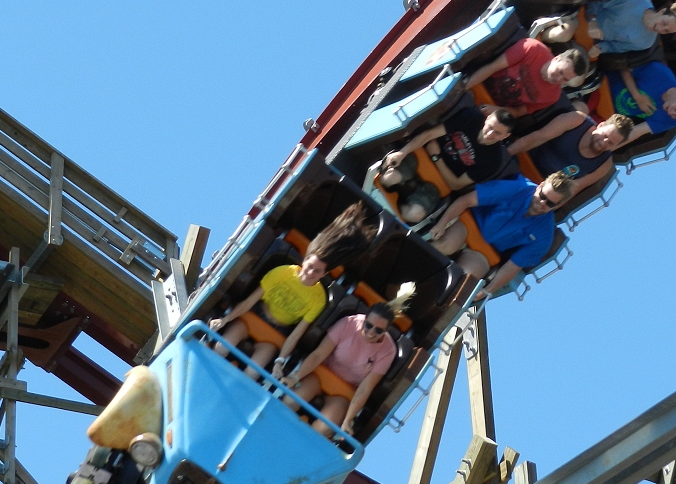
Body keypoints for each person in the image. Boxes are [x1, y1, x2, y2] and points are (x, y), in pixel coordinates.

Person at [210, 203, 378, 374]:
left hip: (275, 333)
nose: (311, 272)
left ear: (324, 274)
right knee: (221, 348)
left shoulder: (319, 298)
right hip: (254, 317)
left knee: (253, 372)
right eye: (310, 266)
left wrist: (279, 362)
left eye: (317, 270)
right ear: (304, 261)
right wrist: (225, 320)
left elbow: (296, 334)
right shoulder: (282, 273)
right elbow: (249, 302)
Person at [427, 171, 577, 299]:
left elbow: (513, 266)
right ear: (540, 185)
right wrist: (441, 224)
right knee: (444, 246)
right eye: (542, 196)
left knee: (461, 284)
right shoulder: (517, 188)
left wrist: (488, 290)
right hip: (469, 226)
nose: (542, 203)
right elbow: (467, 200)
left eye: (550, 203)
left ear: (558, 205)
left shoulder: (544, 234)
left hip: (484, 252)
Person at [281, 295, 410, 437]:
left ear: (386, 331)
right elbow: (319, 354)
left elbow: (365, 389)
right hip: (319, 376)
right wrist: (295, 377)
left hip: (343, 392)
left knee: (324, 429)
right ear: (364, 319)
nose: (371, 332)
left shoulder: (388, 351)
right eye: (368, 325)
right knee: (290, 401)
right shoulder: (349, 323)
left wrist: (348, 421)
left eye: (379, 330)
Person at [382, 105, 514, 192]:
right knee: (388, 179)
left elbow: (456, 185)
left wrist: (436, 158)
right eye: (490, 127)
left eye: (498, 133)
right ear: (488, 118)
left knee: (413, 213)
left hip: (437, 183)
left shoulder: (494, 161)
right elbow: (429, 135)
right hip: (420, 157)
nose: (490, 134)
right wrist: (402, 153)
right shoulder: (471, 117)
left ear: (506, 136)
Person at [508, 110, 632, 189]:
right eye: (605, 136)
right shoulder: (577, 121)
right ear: (600, 125)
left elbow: (570, 190)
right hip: (520, 159)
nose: (604, 142)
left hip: (534, 186)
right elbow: (538, 137)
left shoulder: (603, 165)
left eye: (611, 143)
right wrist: (506, 153)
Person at [466, 38, 589, 117]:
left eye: (565, 79)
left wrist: (497, 110)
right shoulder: (533, 48)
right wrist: (463, 88)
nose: (558, 79)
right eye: (560, 71)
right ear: (556, 58)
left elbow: (519, 112)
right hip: (479, 85)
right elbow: (492, 67)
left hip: (492, 108)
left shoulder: (552, 96)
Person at [610, 60, 676, 142]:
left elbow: (635, 132)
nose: (670, 113)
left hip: (609, 114)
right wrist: (637, 96)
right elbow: (624, 68)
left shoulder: (671, 122)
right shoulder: (660, 73)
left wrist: (606, 149)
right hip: (605, 84)